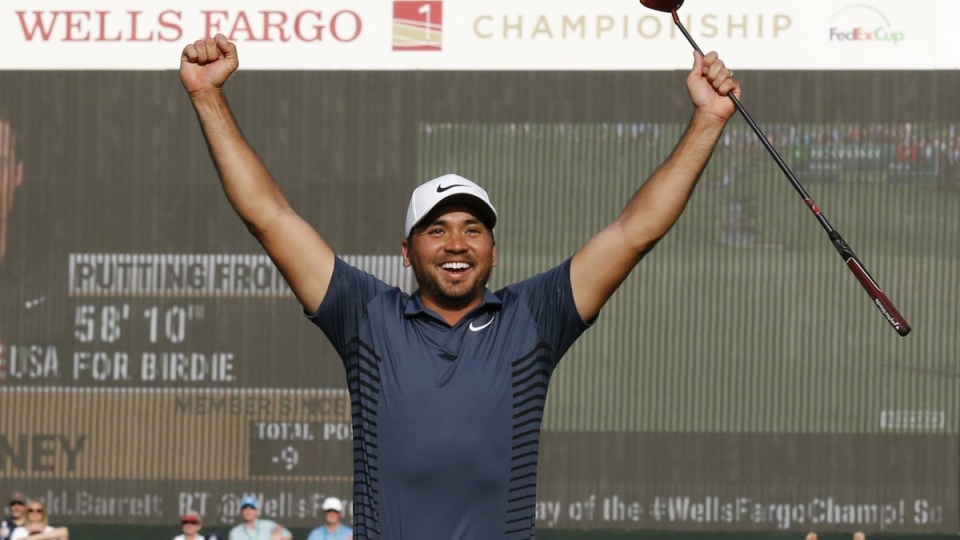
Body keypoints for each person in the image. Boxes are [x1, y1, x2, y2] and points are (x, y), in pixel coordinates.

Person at [180, 34, 739, 538]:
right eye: (437, 229)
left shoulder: (533, 317)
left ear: (494, 251)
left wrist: (708, 120)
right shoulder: (366, 315)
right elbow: (269, 217)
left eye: (474, 229)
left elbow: (633, 232)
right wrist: (208, 96)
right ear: (407, 250)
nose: (456, 244)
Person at [227, 497, 292, 540]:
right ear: (241, 511)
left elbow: (289, 536)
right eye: (245, 508)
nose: (248, 511)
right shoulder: (235, 532)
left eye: (252, 508)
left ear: (257, 511)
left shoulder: (269, 525)